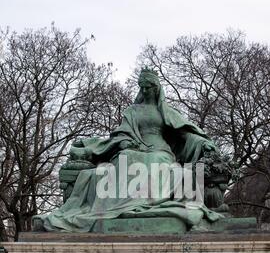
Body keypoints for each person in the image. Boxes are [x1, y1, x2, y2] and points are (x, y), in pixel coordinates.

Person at [33, 68, 223, 232]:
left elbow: (186, 135)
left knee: (154, 161)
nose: (145, 90)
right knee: (125, 157)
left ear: (156, 88)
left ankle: (145, 202)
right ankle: (123, 206)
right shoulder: (132, 111)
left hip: (160, 152)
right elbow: (121, 134)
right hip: (135, 149)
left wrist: (202, 143)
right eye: (142, 87)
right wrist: (124, 142)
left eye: (149, 87)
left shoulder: (166, 112)